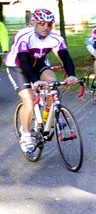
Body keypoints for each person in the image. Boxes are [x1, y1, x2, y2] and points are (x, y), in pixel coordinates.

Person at [5, 8, 80, 154]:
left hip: (38, 64)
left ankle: (48, 116)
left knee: (53, 83)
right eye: (42, 23)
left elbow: (66, 57)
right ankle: (25, 136)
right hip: (18, 66)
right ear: (34, 23)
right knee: (30, 100)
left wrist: (71, 74)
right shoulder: (25, 35)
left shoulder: (55, 37)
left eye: (49, 24)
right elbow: (24, 60)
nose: (46, 27)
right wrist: (34, 81)